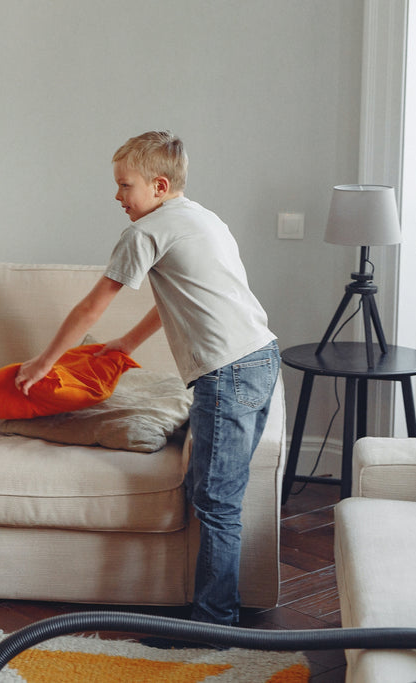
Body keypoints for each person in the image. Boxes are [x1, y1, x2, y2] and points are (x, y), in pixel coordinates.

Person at [15, 131, 279, 628]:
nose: (117, 197)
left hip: (227, 373)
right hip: (262, 356)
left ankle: (213, 626)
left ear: (158, 185)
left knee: (216, 503)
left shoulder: (145, 232)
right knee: (217, 494)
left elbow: (93, 305)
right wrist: (127, 344)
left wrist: (46, 361)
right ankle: (211, 612)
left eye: (124, 186)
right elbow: (179, 296)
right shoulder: (202, 219)